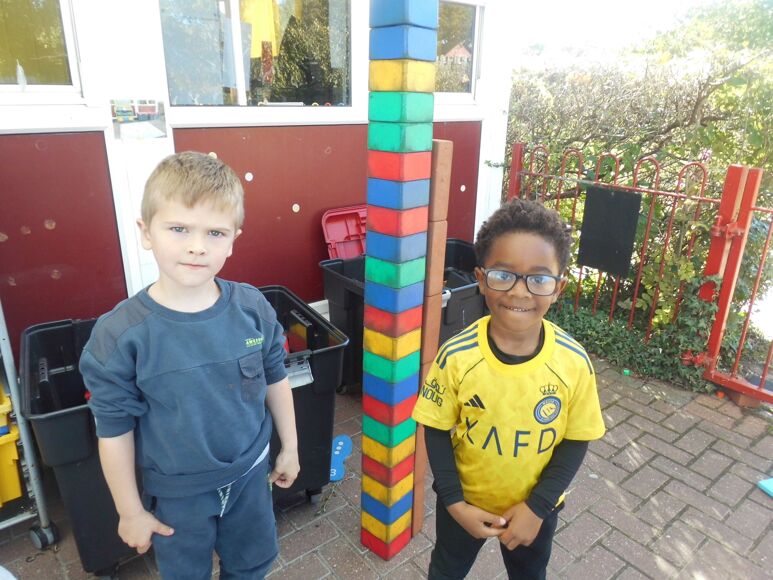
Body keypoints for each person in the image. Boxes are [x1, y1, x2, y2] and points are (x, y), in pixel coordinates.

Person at [80, 151, 299, 579]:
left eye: (215, 232)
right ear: (146, 232)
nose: (197, 246)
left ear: (233, 239)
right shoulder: (120, 336)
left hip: (251, 476)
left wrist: (289, 447)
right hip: (178, 496)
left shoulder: (253, 308)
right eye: (179, 228)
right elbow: (114, 430)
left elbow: (276, 376)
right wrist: (130, 511)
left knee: (252, 565)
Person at [412, 198, 606, 579]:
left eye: (539, 279)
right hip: (465, 505)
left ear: (559, 287)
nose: (519, 292)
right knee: (445, 572)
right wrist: (453, 503)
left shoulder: (573, 363)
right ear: (481, 278)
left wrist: (538, 508)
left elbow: (577, 439)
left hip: (535, 511)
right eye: (503, 275)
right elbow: (434, 427)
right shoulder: (456, 357)